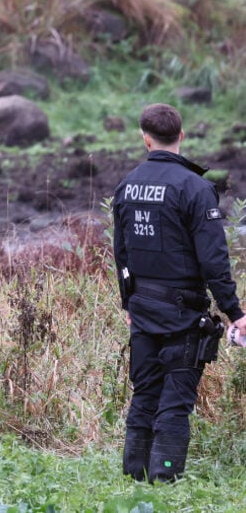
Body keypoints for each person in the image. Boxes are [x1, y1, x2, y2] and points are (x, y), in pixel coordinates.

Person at [114, 103, 246, 483]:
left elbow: (120, 251)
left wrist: (128, 301)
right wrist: (235, 312)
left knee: (145, 394)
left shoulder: (127, 184)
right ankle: (165, 478)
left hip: (142, 307)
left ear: (145, 138)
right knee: (175, 401)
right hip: (183, 312)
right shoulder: (196, 187)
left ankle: (134, 476)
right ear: (182, 136)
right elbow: (214, 259)